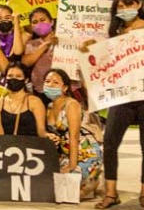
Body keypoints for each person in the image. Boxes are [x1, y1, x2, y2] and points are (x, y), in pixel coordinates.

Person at [96, 0, 144, 210]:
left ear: (138, 4)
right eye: (120, 6)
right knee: (110, 142)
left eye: (128, 4)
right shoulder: (114, 35)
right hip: (123, 96)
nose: (124, 9)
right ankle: (110, 192)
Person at [43, 68, 102, 197]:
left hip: (84, 152)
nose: (50, 85)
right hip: (64, 153)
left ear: (64, 88)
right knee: (49, 187)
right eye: (47, 81)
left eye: (55, 82)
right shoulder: (49, 107)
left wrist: (72, 165)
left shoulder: (71, 105)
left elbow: (74, 137)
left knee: (69, 192)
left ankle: (93, 180)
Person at [0, 64, 47, 137]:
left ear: (26, 80)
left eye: (18, 76)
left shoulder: (35, 101)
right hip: (6, 146)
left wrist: (49, 136)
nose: (13, 79)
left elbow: (41, 131)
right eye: (10, 76)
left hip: (30, 146)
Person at [20, 7, 57, 92]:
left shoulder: (63, 38)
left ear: (51, 21)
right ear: (32, 27)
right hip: (41, 89)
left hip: (65, 88)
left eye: (42, 20)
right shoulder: (31, 44)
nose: (39, 24)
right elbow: (25, 62)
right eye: (35, 22)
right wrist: (46, 44)